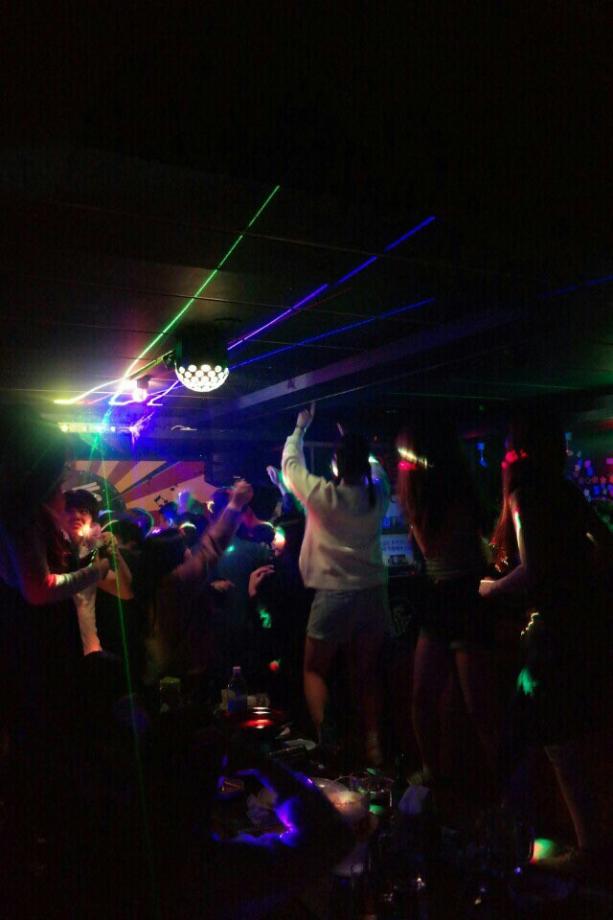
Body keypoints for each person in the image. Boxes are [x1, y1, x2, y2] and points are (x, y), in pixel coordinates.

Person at [479, 406, 613, 877]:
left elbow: (532, 570)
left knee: (541, 738)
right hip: (583, 627)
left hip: (551, 635)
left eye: (508, 450)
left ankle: (531, 843)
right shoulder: (567, 491)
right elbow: (606, 543)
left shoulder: (525, 495)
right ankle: (580, 842)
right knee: (565, 736)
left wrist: (492, 588)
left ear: (520, 451)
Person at [281, 404, 390, 765]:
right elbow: (375, 468)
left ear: (336, 466)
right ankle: (374, 746)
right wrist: (354, 441)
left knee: (314, 670)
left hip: (333, 596)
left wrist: (300, 429)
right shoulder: (379, 493)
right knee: (367, 673)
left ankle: (329, 741)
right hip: (373, 594)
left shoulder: (322, 496)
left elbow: (291, 466)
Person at [396, 417, 500, 794]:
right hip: (453, 595)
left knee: (472, 704)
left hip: (459, 596)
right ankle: (442, 776)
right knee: (436, 697)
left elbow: (429, 548)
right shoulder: (454, 488)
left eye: (407, 454)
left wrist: (409, 500)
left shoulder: (440, 494)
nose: (403, 461)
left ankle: (502, 789)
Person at [137, 479, 255, 695]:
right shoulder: (176, 582)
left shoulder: (150, 583)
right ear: (176, 555)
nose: (190, 550)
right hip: (184, 677)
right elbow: (211, 548)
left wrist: (209, 589)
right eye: (184, 547)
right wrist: (235, 504)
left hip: (154, 673)